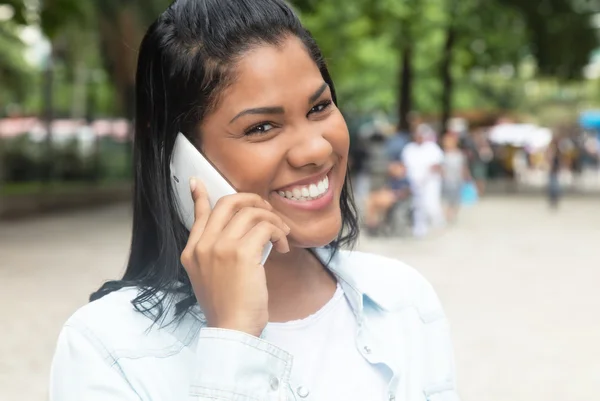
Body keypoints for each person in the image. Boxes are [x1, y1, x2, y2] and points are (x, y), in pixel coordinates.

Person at [49, 1, 459, 400]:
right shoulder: (105, 349)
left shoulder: (403, 299)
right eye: (262, 127)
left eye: (319, 107)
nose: (315, 150)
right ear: (180, 156)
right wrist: (233, 339)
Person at [402, 125, 446, 238]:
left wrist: (425, 177)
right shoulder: (409, 148)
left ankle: (437, 223)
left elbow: (437, 165)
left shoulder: (432, 148)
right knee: (417, 206)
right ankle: (420, 229)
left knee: (431, 204)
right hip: (414, 182)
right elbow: (405, 166)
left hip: (430, 182)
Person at [441, 133, 470, 224]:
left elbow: (463, 167)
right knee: (446, 199)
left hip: (457, 179)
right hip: (446, 180)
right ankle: (447, 216)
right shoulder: (442, 154)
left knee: (456, 199)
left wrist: (466, 177)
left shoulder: (459, 154)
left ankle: (453, 215)